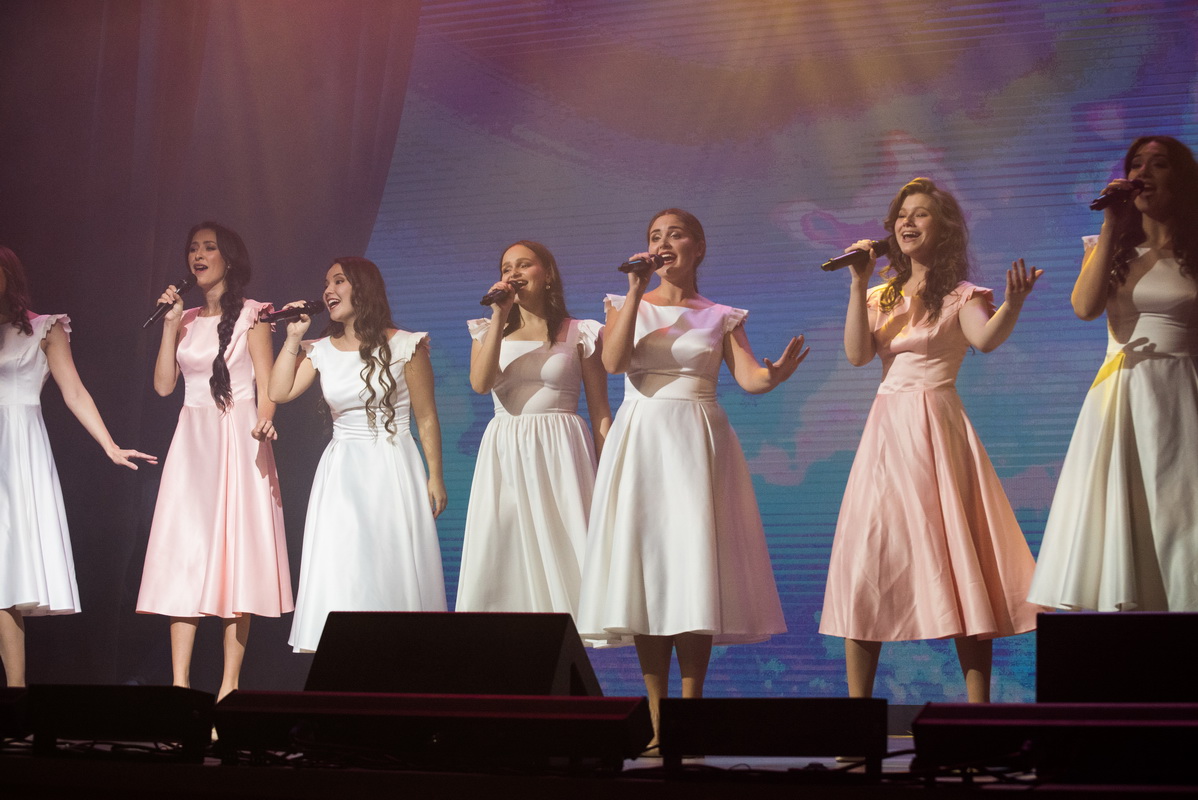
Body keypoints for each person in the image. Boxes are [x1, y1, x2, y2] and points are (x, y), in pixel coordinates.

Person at [576, 209, 806, 748]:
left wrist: (773, 375)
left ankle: (690, 719)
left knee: (693, 571)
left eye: (674, 235)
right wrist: (635, 290)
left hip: (697, 444)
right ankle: (659, 721)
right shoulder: (623, 304)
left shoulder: (721, 316)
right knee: (647, 572)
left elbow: (748, 378)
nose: (663, 243)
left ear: (698, 247)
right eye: (654, 236)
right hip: (642, 440)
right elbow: (613, 362)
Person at [819, 177, 1042, 704]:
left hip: (938, 429)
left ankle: (977, 713)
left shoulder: (961, 294)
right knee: (871, 555)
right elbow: (857, 355)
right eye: (902, 215)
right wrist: (857, 282)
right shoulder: (880, 295)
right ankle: (856, 717)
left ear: (943, 229)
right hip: (887, 433)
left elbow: (985, 339)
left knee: (959, 557)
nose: (907, 222)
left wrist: (1012, 304)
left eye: (920, 214)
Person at [1028, 136, 1198, 612]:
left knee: (1182, 513)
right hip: (1121, 391)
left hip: (1181, 392)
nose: (1143, 172)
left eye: (1158, 164)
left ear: (1180, 179)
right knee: (1123, 514)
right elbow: (1084, 307)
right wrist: (1110, 225)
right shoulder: (1111, 247)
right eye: (1136, 164)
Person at [137, 222, 291, 700]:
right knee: (184, 552)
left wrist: (265, 422)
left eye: (208, 248)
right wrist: (169, 324)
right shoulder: (183, 319)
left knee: (234, 557)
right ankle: (179, 688)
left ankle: (228, 689)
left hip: (238, 437)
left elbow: (269, 385)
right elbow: (164, 386)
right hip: (193, 442)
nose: (197, 256)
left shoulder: (254, 314)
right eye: (192, 249)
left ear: (229, 258)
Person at [269, 257, 447, 653]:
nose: (328, 291)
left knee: (390, 559)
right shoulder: (320, 350)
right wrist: (293, 338)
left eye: (339, 281)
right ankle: (348, 651)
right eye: (326, 283)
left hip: (392, 463)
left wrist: (435, 475)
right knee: (346, 560)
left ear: (362, 288)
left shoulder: (405, 345)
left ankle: (397, 653)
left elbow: (426, 416)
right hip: (343, 470)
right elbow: (279, 392)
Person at [0, 246, 155, 687]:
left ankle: (16, 695)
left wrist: (109, 445)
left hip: (16, 451)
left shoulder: (44, 328)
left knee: (6, 577)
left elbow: (74, 392)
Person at [457, 241, 611, 619]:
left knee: (568, 556)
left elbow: (600, 411)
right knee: (505, 556)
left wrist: (610, 475)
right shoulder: (486, 332)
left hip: (561, 452)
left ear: (548, 275)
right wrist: (499, 317)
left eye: (524, 265)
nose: (514, 273)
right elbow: (480, 384)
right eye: (506, 267)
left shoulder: (580, 332)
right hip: (506, 452)